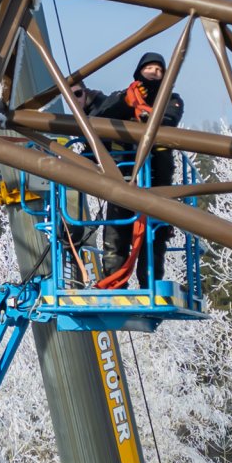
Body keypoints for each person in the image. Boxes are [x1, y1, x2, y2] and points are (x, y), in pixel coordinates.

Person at [83, 52, 184, 288]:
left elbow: (170, 119)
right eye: (150, 68)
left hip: (157, 181)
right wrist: (125, 103)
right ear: (139, 71)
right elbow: (99, 118)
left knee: (154, 236)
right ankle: (114, 282)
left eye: (159, 70)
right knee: (116, 233)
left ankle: (151, 284)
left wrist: (149, 115)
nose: (154, 73)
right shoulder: (123, 96)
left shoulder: (171, 99)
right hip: (123, 175)